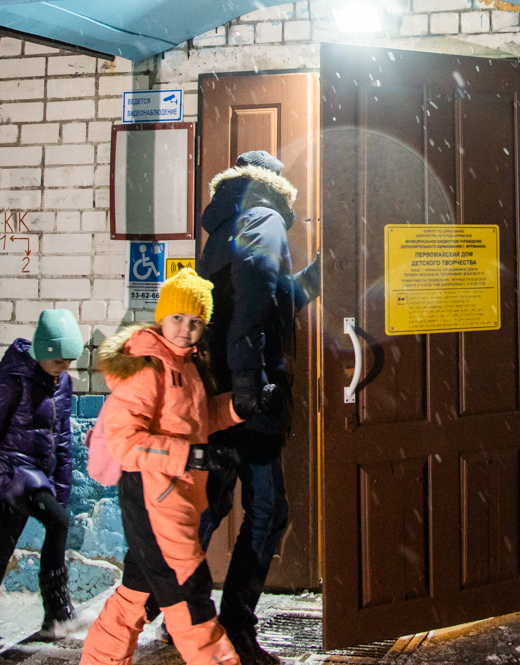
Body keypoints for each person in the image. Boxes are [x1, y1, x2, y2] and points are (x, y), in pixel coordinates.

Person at [80, 267, 242, 665]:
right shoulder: (148, 368)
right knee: (191, 599)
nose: (186, 330)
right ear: (161, 318)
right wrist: (189, 456)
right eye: (177, 319)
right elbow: (126, 442)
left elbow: (197, 420)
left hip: (174, 499)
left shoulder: (186, 366)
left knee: (137, 591)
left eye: (195, 322)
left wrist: (240, 407)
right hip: (153, 499)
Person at [197, 150, 321, 665]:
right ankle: (235, 629)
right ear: (273, 183)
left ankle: (161, 602)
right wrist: (250, 385)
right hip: (249, 395)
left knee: (208, 505)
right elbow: (253, 293)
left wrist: (314, 277)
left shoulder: (225, 223)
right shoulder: (263, 215)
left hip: (217, 392)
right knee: (269, 513)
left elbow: (266, 294)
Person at [0, 308, 82, 654]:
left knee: (1, 549)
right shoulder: (12, 382)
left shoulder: (62, 383)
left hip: (35, 476)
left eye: (70, 360)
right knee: (58, 522)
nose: (65, 367)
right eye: (59, 361)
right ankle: (57, 611)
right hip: (11, 474)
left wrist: (61, 490)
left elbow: (62, 441)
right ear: (42, 353)